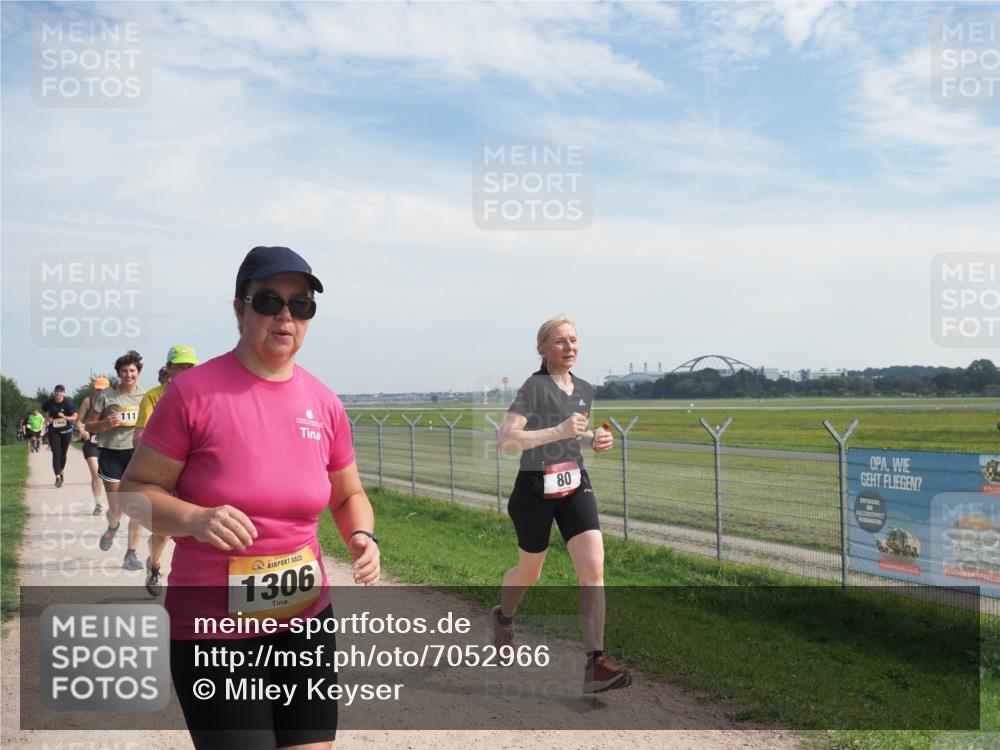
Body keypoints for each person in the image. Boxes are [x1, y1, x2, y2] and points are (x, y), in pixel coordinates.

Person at [121, 246, 380, 750]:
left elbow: (348, 495)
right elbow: (133, 495)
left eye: (301, 305)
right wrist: (194, 518)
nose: (286, 316)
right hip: (214, 631)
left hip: (305, 620)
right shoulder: (194, 393)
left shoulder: (324, 403)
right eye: (269, 301)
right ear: (239, 309)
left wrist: (362, 535)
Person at [493, 315, 632, 694]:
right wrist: (560, 430)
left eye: (573, 340)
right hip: (534, 490)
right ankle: (504, 616)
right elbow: (506, 438)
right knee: (530, 572)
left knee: (593, 570)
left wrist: (594, 442)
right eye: (560, 341)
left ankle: (595, 664)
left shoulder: (585, 388)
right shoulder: (534, 388)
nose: (569, 346)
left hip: (574, 485)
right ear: (542, 349)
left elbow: (574, 437)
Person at [133, 344, 201, 597]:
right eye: (180, 366)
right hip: (166, 471)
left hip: (197, 472)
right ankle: (154, 566)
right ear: (168, 368)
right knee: (163, 534)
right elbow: (138, 438)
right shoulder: (153, 397)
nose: (185, 371)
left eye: (190, 366)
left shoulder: (203, 396)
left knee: (204, 530)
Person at [86, 351, 146, 571]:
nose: (128, 374)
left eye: (132, 370)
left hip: (136, 454)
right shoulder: (107, 396)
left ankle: (131, 554)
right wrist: (105, 424)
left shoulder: (145, 397)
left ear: (138, 373)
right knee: (116, 507)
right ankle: (112, 526)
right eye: (124, 371)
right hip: (111, 453)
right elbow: (89, 425)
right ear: (118, 373)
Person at [77, 377, 111, 515]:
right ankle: (98, 504)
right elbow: (79, 421)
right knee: (96, 474)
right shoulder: (87, 401)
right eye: (97, 389)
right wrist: (82, 430)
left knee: (111, 476)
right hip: (91, 442)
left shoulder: (114, 402)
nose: (99, 392)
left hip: (109, 443)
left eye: (102, 389)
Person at [41, 385, 79, 488]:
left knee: (63, 454)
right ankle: (57, 477)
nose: (58, 393)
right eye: (56, 391)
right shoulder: (49, 402)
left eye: (60, 391)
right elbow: (43, 411)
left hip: (66, 430)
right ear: (54, 392)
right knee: (56, 454)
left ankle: (61, 472)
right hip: (54, 431)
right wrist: (47, 419)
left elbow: (75, 417)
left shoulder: (68, 403)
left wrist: (65, 417)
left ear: (63, 393)